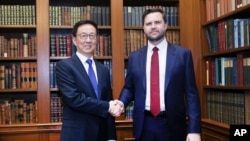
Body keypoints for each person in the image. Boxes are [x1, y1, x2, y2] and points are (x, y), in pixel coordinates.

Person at [116, 8, 201, 141]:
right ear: (143, 28)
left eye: (157, 22)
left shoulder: (182, 55)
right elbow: (129, 88)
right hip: (144, 124)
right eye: (148, 23)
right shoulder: (134, 57)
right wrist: (121, 102)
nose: (153, 26)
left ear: (165, 25)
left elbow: (191, 94)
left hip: (173, 125)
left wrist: (194, 129)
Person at [56, 20, 121, 141]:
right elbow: (74, 99)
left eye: (92, 36)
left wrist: (111, 137)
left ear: (96, 40)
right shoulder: (64, 66)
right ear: (75, 40)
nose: (88, 40)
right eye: (83, 36)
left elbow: (108, 101)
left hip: (101, 134)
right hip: (77, 134)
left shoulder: (103, 70)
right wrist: (108, 106)